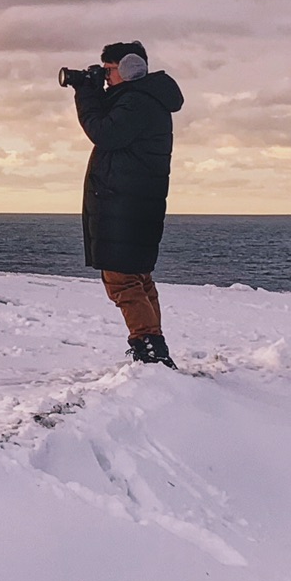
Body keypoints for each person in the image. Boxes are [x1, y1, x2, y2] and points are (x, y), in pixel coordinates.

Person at [70, 40, 184, 367]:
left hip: (125, 206)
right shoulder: (142, 99)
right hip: (132, 204)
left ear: (130, 68)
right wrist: (91, 89)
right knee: (137, 277)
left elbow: (104, 132)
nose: (105, 78)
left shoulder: (138, 102)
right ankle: (152, 346)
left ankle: (150, 349)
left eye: (109, 70)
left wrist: (85, 94)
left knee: (123, 280)